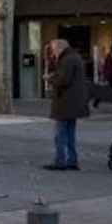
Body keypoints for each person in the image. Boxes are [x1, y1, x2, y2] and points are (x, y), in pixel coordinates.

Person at [44, 38, 90, 171]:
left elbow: (63, 80)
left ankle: (60, 161)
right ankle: (71, 160)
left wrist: (50, 78)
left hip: (66, 102)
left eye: (53, 49)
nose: (52, 52)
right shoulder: (73, 57)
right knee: (69, 133)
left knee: (60, 134)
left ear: (59, 48)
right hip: (73, 102)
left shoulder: (67, 59)